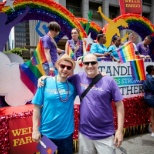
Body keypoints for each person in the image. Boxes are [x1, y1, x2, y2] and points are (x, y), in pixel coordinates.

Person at [39, 53, 124, 154]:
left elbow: (120, 105)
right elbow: (60, 79)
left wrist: (119, 130)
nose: (90, 66)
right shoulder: (77, 78)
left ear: (98, 64)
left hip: (104, 134)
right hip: (82, 134)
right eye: (86, 63)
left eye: (93, 63)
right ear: (82, 64)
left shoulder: (109, 81)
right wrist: (45, 77)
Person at [32, 54, 76, 154]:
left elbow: (88, 79)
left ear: (71, 70)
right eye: (62, 66)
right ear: (57, 65)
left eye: (68, 67)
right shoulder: (45, 82)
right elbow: (36, 108)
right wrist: (35, 130)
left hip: (66, 135)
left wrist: (100, 74)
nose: (65, 69)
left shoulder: (73, 86)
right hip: (46, 133)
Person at [143, 65, 154, 137]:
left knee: (152, 114)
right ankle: (153, 130)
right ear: (152, 71)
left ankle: (152, 129)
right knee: (152, 114)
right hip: (151, 97)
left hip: (147, 97)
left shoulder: (145, 77)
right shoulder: (151, 79)